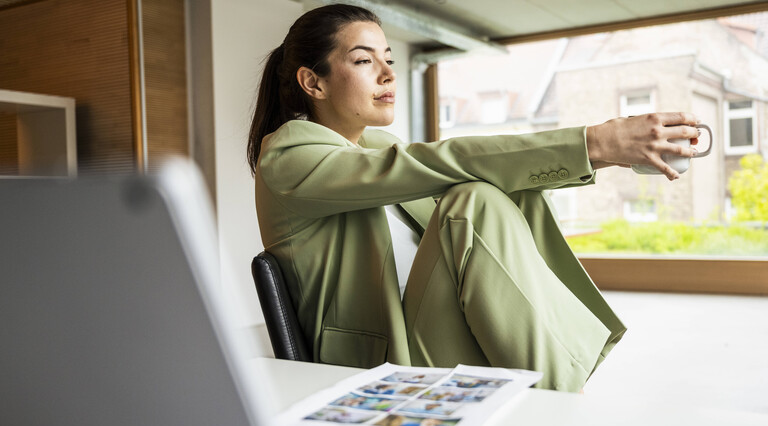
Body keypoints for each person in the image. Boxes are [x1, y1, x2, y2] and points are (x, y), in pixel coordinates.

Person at [247, 4, 700, 391]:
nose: (388, 73)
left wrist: (603, 156)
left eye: (388, 58)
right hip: (377, 363)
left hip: (431, 331)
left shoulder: (379, 149)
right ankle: (559, 394)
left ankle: (557, 385)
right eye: (365, 61)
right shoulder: (287, 158)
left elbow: (484, 176)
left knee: (487, 192)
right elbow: (450, 161)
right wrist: (592, 143)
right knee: (474, 201)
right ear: (314, 82)